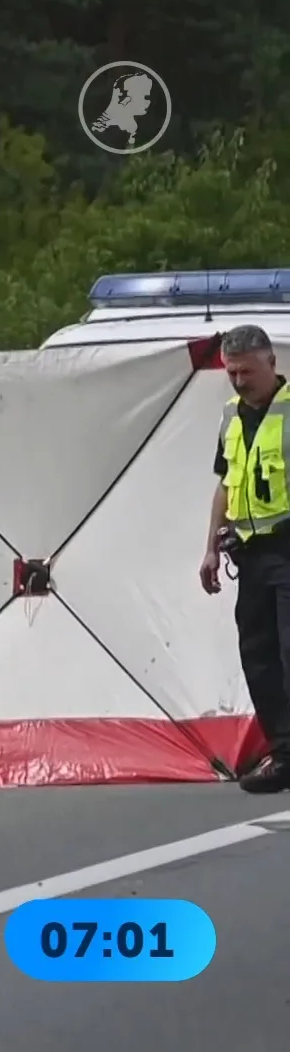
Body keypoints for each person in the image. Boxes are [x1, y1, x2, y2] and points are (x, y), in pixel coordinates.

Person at [201, 323, 290, 794]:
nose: (238, 382)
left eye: (247, 373)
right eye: (232, 373)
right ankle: (284, 755)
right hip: (251, 554)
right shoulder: (230, 416)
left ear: (272, 364)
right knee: (258, 656)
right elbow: (226, 481)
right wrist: (211, 546)